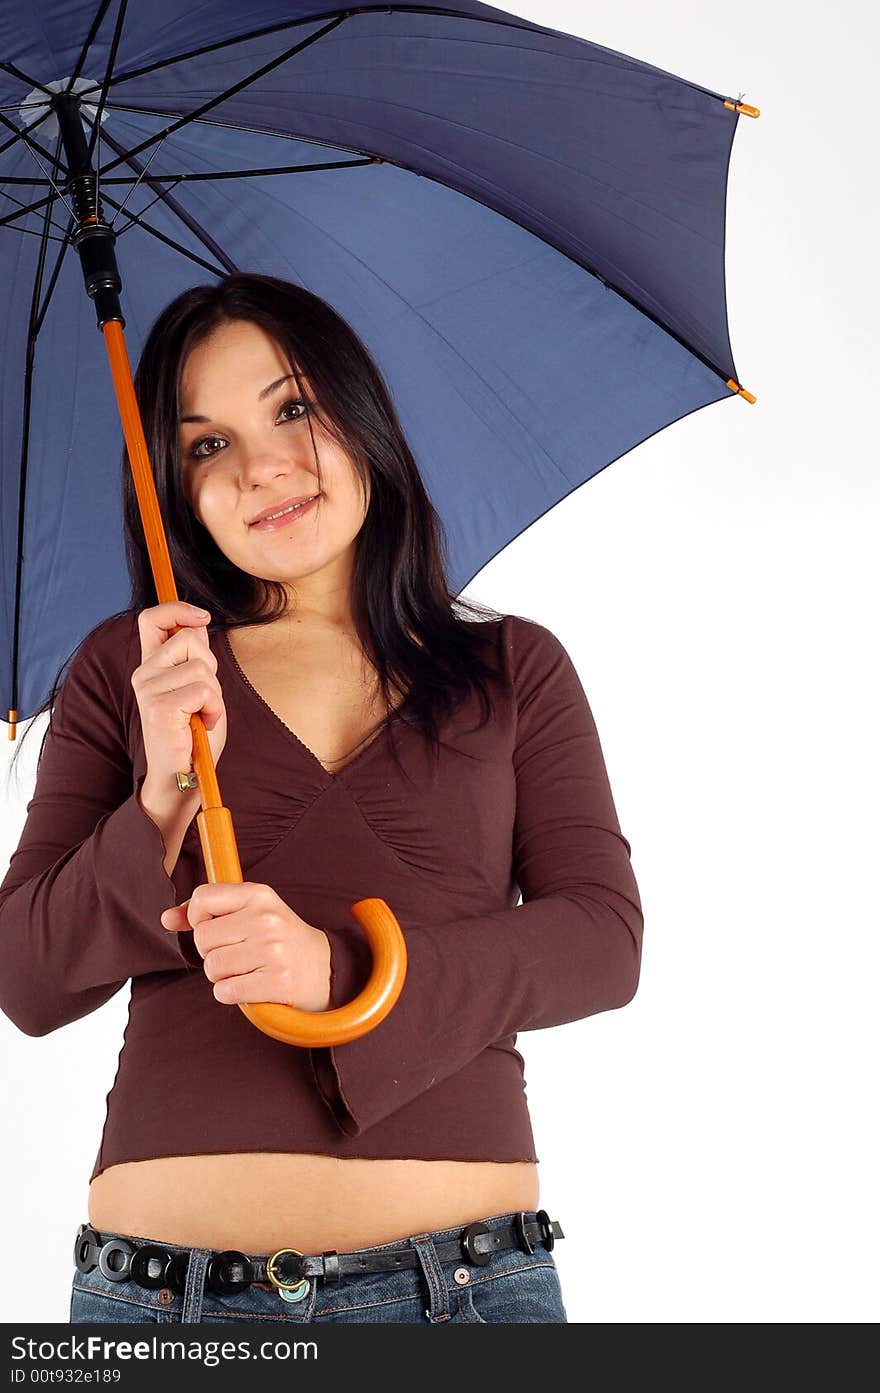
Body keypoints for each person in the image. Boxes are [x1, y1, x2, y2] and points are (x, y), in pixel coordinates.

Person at [0, 272, 644, 1324]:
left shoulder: (511, 667)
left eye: (292, 408)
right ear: (172, 485)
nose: (261, 468)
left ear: (361, 413)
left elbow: (601, 942)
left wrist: (341, 970)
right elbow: (26, 979)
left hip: (468, 1294)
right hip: (170, 1306)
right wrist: (162, 790)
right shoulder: (137, 667)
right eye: (206, 444)